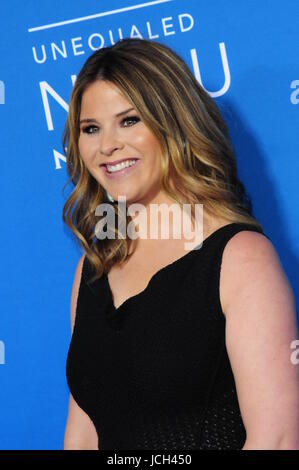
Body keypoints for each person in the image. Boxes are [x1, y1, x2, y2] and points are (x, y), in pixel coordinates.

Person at [62, 38, 299, 450]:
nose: (106, 146)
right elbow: (83, 429)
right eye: (91, 128)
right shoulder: (93, 267)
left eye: (130, 120)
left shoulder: (239, 258)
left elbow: (277, 439)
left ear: (172, 122)